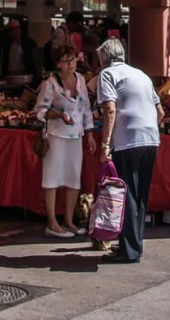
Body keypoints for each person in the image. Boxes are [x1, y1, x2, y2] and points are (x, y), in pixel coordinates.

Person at [97, 38, 163, 264]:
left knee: (126, 193)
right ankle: (133, 244)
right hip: (150, 138)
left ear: (104, 58)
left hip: (128, 139)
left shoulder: (107, 75)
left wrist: (105, 144)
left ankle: (129, 250)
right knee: (140, 194)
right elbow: (160, 112)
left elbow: (109, 109)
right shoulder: (141, 75)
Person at [36, 46, 96, 237]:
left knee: (73, 178)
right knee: (52, 179)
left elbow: (86, 109)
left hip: (76, 136)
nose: (70, 64)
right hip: (55, 136)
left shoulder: (80, 80)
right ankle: (52, 223)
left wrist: (90, 134)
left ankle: (68, 221)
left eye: (73, 60)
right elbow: (40, 112)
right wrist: (58, 115)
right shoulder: (50, 84)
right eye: (66, 61)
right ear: (58, 64)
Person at [0, 15, 43, 88]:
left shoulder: (29, 43)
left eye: (11, 30)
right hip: (10, 78)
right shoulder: (6, 44)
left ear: (18, 29)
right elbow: (4, 62)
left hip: (26, 79)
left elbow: (36, 64)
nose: (10, 33)